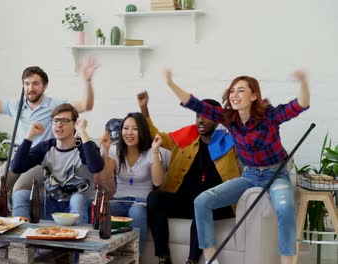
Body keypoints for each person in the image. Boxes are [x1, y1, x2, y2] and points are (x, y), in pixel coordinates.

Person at [163, 69, 310, 264]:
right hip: (249, 176)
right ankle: (211, 259)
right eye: (232, 91)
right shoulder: (229, 118)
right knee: (202, 201)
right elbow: (195, 104)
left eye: (241, 91)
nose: (234, 95)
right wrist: (171, 84)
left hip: (276, 174)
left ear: (254, 95)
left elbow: (300, 105)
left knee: (285, 208)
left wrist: (303, 81)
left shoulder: (270, 116)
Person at [0, 52, 98, 216]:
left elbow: (86, 104)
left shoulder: (56, 105)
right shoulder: (16, 106)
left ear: (45, 86)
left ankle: (18, 238)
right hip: (20, 156)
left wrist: (87, 81)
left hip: (41, 160)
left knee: (18, 191)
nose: (31, 88)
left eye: (35, 84)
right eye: (27, 84)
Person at [137, 91, 241, 264]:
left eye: (206, 116)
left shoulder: (230, 142)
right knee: (154, 197)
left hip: (217, 204)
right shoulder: (187, 136)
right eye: (198, 115)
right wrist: (144, 109)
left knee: (202, 206)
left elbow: (253, 147)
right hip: (185, 201)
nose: (200, 120)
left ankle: (192, 261)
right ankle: (164, 257)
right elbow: (156, 137)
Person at [10, 103, 104, 224]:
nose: (59, 125)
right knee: (20, 195)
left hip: (82, 206)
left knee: (77, 198)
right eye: (55, 121)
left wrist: (82, 131)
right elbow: (16, 167)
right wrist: (29, 136)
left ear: (75, 124)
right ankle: (21, 240)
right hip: (53, 205)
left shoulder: (84, 147)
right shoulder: (46, 147)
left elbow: (96, 167)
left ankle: (78, 238)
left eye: (64, 121)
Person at [100, 112, 170, 255]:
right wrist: (105, 149)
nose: (129, 133)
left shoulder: (152, 151)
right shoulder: (115, 149)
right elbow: (105, 177)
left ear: (142, 131)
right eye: (125, 128)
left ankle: (134, 257)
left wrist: (156, 151)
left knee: (136, 212)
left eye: (135, 129)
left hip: (142, 202)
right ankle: (102, 255)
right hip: (120, 199)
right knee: (103, 210)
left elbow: (157, 182)